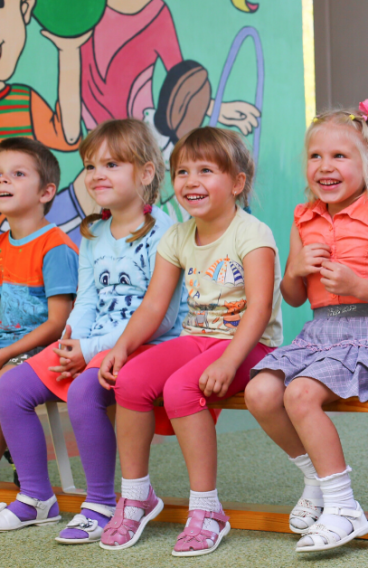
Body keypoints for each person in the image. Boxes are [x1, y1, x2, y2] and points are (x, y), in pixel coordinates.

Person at [96, 127, 282, 557]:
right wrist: (122, 347)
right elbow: (153, 306)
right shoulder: (178, 236)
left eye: (205, 171)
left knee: (182, 387)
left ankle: (207, 508)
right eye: (182, 172)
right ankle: (137, 494)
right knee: (131, 380)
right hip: (198, 338)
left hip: (250, 344)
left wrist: (229, 361)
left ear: (237, 182)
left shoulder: (252, 234)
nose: (190, 181)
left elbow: (257, 311)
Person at [0, 119, 184, 540]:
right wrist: (70, 341)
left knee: (85, 391)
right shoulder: (92, 233)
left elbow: (163, 317)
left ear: (146, 172)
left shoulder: (167, 235)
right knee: (10, 390)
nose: (97, 174)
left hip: (142, 344)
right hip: (89, 342)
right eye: (90, 165)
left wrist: (90, 347)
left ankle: (100, 501)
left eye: (112, 164)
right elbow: (85, 300)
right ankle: (35, 497)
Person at [246, 102, 368, 552]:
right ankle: (316, 479)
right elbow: (294, 297)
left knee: (299, 394)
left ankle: (343, 508)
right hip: (318, 333)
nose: (326, 166)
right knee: (259, 392)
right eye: (316, 156)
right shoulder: (304, 217)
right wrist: (295, 269)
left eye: (340, 156)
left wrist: (360, 285)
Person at [0, 137, 78, 516]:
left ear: (47, 191)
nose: (4, 182)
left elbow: (58, 323)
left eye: (16, 174)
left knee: (4, 383)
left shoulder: (55, 246)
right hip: (7, 345)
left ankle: (32, 485)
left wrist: (8, 352)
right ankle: (17, 458)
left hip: (43, 347)